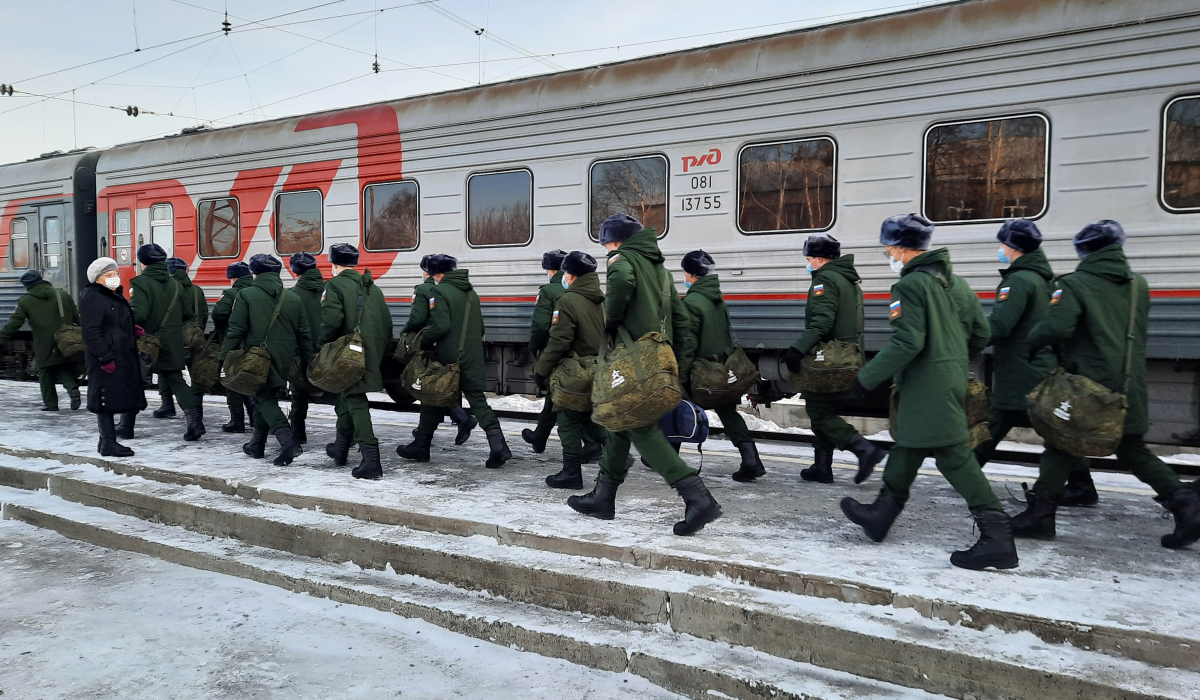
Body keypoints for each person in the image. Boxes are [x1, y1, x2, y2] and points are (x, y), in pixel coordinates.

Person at [841, 214, 1017, 571]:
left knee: (953, 456)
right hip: (951, 377)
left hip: (926, 384)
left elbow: (909, 341)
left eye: (888, 245)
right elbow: (981, 333)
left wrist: (866, 378)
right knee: (909, 442)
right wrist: (951, 357)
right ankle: (881, 515)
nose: (886, 251)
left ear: (904, 248)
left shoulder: (910, 286)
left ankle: (997, 536)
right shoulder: (957, 284)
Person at [1017, 220, 1200, 549]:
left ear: (1085, 250)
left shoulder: (1074, 283)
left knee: (1059, 441)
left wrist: (1033, 340)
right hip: (1129, 387)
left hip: (1088, 389)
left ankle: (1040, 516)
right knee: (1131, 449)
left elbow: (1057, 327)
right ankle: (1188, 505)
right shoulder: (1138, 285)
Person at [567, 214, 721, 537]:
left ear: (618, 241)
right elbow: (681, 320)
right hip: (658, 358)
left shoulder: (622, 260)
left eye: (607, 243)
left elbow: (621, 280)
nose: (606, 249)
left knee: (640, 427)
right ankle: (604, 496)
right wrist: (673, 361)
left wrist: (612, 319)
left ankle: (697, 496)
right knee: (620, 421)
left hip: (632, 361)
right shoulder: (662, 272)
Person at [972, 221, 1096, 506]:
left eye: (1003, 244)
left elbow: (1001, 325)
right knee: (1050, 427)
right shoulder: (1043, 278)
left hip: (1020, 368)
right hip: (1037, 364)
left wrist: (969, 335)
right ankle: (1082, 484)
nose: (1001, 249)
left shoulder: (1018, 280)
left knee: (997, 421)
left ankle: (964, 471)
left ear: (1013, 247)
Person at [780, 235, 885, 484]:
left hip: (829, 360)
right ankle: (822, 467)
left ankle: (864, 450)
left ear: (819, 258)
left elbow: (822, 322)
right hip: (848, 357)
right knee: (826, 409)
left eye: (809, 259)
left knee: (819, 413)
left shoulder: (825, 279)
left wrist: (797, 349)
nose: (808, 264)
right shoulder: (850, 280)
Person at [397, 254, 512, 469]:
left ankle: (421, 445)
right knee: (476, 401)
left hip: (449, 358)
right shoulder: (471, 293)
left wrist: (420, 341)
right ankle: (499, 445)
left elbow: (440, 326)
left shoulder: (439, 292)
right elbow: (480, 328)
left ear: (435, 273)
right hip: (472, 356)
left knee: (433, 394)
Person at [678, 250, 767, 482]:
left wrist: (681, 373)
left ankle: (666, 459)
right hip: (722, 369)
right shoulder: (718, 301)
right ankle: (752, 460)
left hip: (702, 372)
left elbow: (688, 344)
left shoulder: (692, 303)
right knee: (728, 411)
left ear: (690, 274)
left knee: (677, 407)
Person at [220, 254, 313, 466]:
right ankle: (257, 444)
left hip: (256, 358)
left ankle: (287, 440)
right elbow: (304, 334)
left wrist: (224, 357)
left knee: (263, 397)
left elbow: (235, 330)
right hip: (285, 356)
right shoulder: (293, 298)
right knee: (264, 393)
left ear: (255, 273)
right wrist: (308, 361)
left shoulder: (245, 295)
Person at [532, 251, 606, 489]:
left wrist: (541, 369)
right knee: (589, 416)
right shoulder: (602, 300)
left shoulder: (568, 300)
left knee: (568, 421)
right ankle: (616, 453)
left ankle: (571, 473)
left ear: (571, 275)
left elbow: (559, 341)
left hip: (574, 370)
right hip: (597, 366)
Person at [319, 243, 393, 479]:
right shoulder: (374, 288)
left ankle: (371, 460)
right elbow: (387, 324)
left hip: (348, 354)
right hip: (370, 350)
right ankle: (340, 449)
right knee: (347, 397)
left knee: (355, 399)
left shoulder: (334, 285)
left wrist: (321, 346)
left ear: (333, 264)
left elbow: (331, 321)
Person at [130, 243, 205, 441]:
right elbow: (188, 313)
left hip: (147, 341)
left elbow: (140, 313)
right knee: (177, 380)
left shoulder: (139, 283)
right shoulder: (176, 284)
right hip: (172, 341)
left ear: (142, 261)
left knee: (134, 381)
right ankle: (195, 422)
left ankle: (126, 425)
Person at [400, 254, 476, 445]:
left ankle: (459, 419)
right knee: (441, 386)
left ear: (426, 271)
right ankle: (428, 435)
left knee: (428, 387)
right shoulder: (448, 288)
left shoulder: (424, 289)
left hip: (428, 343)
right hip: (445, 344)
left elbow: (417, 318)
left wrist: (407, 333)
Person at [79, 257, 146, 456]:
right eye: (108, 275)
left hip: (120, 354)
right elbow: (91, 331)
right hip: (106, 356)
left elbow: (112, 322)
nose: (114, 278)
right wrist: (104, 358)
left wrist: (131, 329)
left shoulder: (112, 295)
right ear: (97, 279)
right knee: (104, 399)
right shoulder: (92, 296)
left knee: (115, 395)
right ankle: (108, 441)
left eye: (115, 274)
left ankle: (106, 442)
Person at [0, 270, 81, 411]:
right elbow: (77, 317)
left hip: (44, 342)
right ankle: (72, 388)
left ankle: (51, 404)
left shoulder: (25, 301)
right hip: (67, 340)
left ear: (26, 285)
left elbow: (14, 324)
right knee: (61, 366)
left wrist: (2, 338)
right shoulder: (62, 294)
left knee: (44, 370)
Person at [522, 249, 569, 453]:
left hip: (555, 350)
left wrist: (534, 348)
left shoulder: (548, 292)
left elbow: (540, 326)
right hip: (577, 350)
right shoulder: (576, 288)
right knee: (555, 395)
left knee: (557, 395)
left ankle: (595, 441)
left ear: (550, 270)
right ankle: (539, 436)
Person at [152, 258, 208, 420]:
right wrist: (196, 332)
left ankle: (167, 405)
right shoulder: (197, 290)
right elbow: (204, 314)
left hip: (172, 338)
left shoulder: (166, 289)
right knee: (196, 374)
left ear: (169, 271)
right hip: (194, 337)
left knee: (166, 371)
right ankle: (197, 409)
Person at [211, 261, 255, 433]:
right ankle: (254, 418)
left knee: (231, 380)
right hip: (253, 345)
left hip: (233, 344)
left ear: (234, 278)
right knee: (249, 381)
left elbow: (218, 314)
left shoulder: (230, 294)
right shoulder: (257, 291)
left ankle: (237, 420)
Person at [285, 252, 324, 444]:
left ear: (295, 272)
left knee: (299, 392)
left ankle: (298, 431)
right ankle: (346, 435)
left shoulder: (291, 295)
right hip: (328, 352)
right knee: (338, 393)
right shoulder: (329, 290)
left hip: (301, 351)